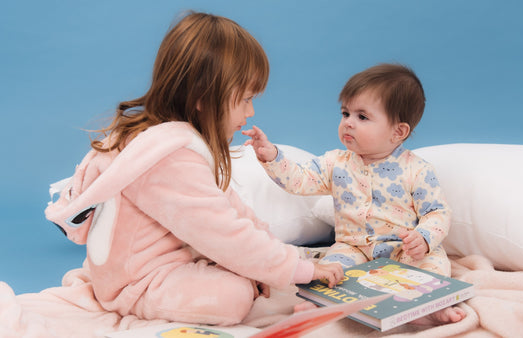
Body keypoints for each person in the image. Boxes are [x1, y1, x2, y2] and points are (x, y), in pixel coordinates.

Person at [44, 11, 343, 326]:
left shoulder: (173, 141)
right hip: (135, 283)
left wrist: (280, 257)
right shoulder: (167, 159)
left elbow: (231, 209)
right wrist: (295, 269)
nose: (251, 111)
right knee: (234, 296)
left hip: (164, 259)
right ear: (203, 97)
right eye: (244, 99)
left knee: (247, 262)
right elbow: (224, 233)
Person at [243, 63, 466, 324]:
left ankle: (434, 307)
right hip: (354, 248)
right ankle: (320, 305)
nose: (348, 123)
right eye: (345, 113)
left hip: (401, 249)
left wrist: (424, 238)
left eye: (362, 117)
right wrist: (272, 157)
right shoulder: (335, 162)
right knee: (330, 270)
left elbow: (436, 212)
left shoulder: (417, 170)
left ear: (398, 132)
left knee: (433, 266)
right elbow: (300, 180)